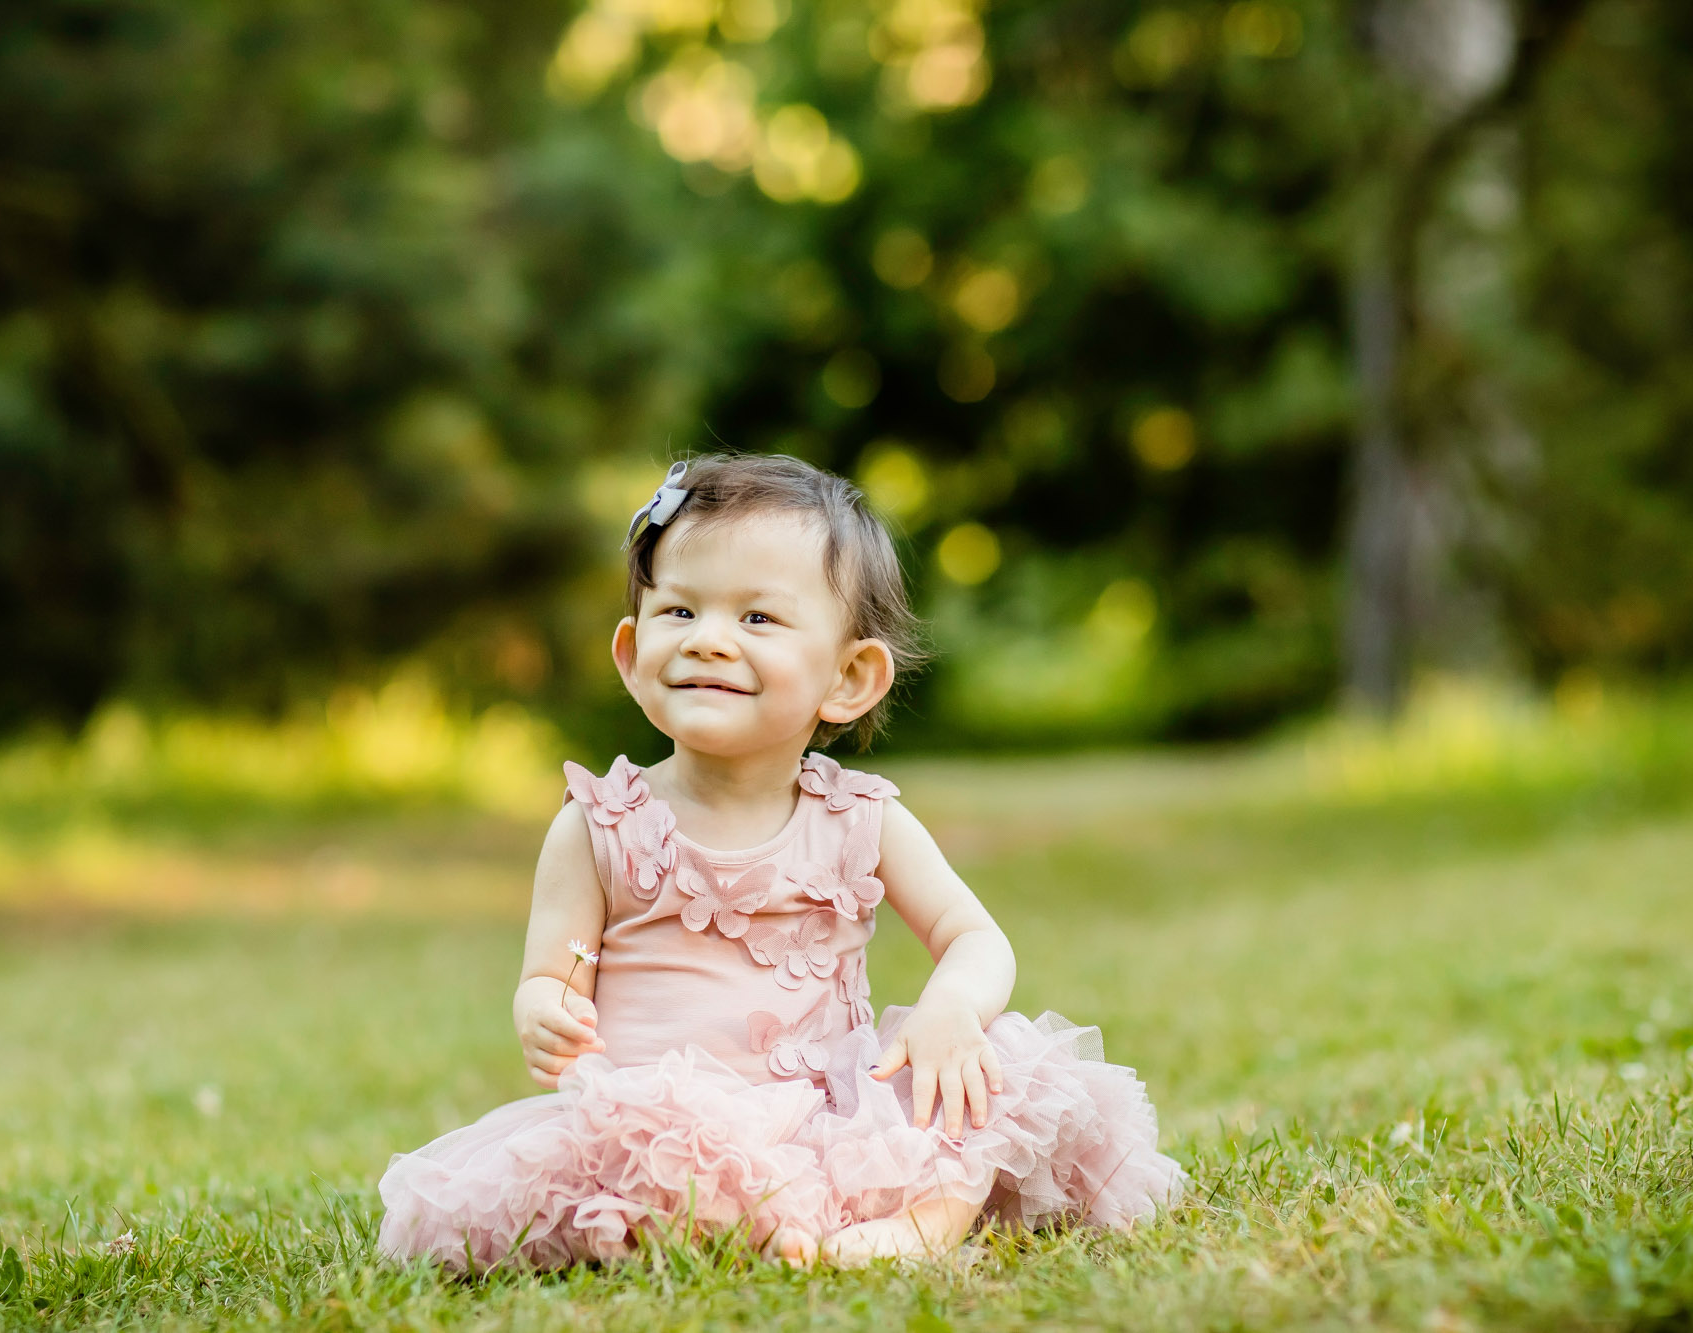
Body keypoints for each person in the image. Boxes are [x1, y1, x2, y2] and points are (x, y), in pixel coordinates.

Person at [377, 454, 1184, 1268]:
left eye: (757, 619)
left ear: (849, 677)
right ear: (631, 652)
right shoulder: (600, 826)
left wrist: (951, 1008)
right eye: (680, 610)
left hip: (838, 1109)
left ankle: (915, 1229)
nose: (709, 641)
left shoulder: (861, 819)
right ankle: (754, 1228)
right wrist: (543, 1007)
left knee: (991, 1072)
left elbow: (976, 938)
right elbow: (553, 973)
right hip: (666, 1126)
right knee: (649, 1178)